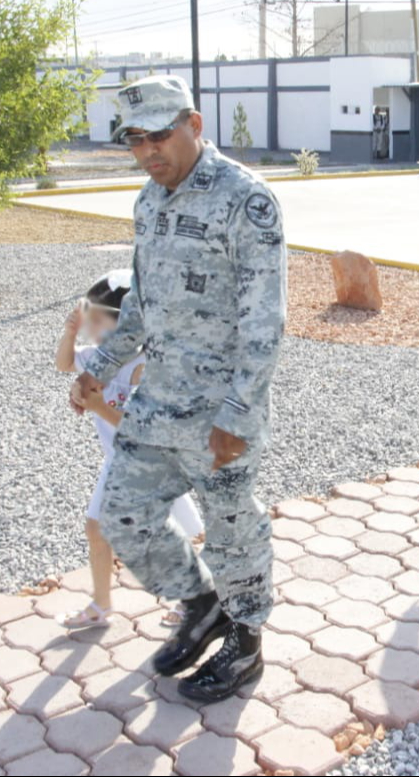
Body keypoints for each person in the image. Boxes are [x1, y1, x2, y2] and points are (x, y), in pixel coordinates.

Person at [71, 74, 286, 703]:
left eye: (158, 136)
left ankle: (245, 647)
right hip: (158, 401)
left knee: (231, 531)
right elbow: (138, 306)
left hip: (219, 412)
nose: (147, 153)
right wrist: (102, 366)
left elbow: (265, 321)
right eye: (135, 140)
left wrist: (238, 414)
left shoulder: (245, 200)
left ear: (194, 124)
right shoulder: (150, 201)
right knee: (123, 515)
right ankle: (201, 605)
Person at [53, 270, 204, 629]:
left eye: (97, 321)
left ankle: (193, 600)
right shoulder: (95, 357)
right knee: (107, 529)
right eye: (86, 322)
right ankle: (105, 603)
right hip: (123, 462)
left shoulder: (145, 368)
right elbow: (62, 363)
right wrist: (70, 333)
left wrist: (95, 405)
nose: (90, 330)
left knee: (147, 533)